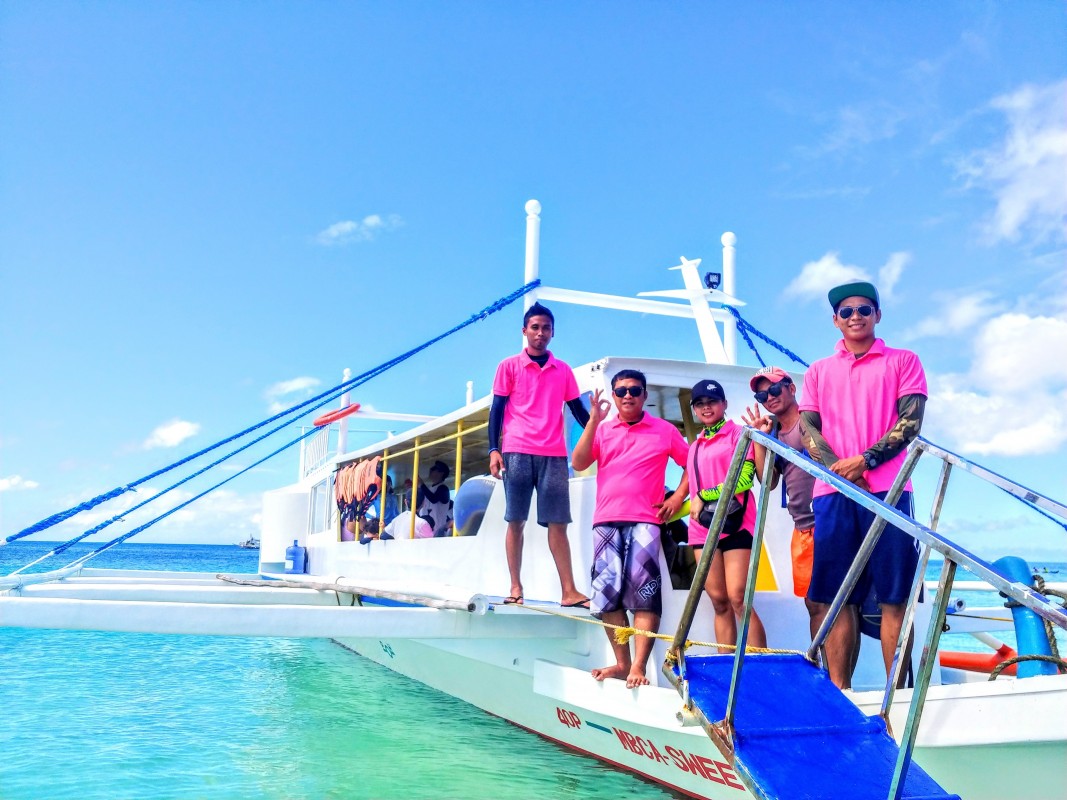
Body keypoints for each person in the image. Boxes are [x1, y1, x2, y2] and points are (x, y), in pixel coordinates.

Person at [799, 281, 927, 689]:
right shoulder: (818, 370)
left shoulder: (903, 360)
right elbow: (808, 429)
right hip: (834, 494)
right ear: (835, 320)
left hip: (890, 493)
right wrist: (838, 466)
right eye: (847, 311)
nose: (856, 316)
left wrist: (866, 459)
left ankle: (898, 695)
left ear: (878, 315)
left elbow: (911, 422)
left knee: (895, 598)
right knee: (839, 600)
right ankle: (842, 692)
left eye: (864, 309)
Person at [570, 369, 690, 688]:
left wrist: (678, 497)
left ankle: (639, 665)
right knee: (608, 597)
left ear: (644, 395)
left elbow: (692, 465)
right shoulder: (603, 430)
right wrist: (594, 419)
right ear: (613, 394)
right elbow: (579, 462)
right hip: (606, 521)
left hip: (646, 522)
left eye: (634, 390)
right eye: (621, 390)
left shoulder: (664, 431)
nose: (627, 396)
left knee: (645, 596)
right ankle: (622, 664)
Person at [488, 302, 590, 607]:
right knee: (515, 520)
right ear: (524, 331)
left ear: (553, 332)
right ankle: (516, 587)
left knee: (558, 523)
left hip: (554, 455)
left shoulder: (564, 370)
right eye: (535, 327)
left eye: (546, 328)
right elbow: (497, 411)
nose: (540, 333)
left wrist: (603, 432)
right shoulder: (508, 366)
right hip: (516, 450)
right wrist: (494, 449)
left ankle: (569, 591)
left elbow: (578, 411)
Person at [687, 379, 768, 651]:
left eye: (711, 402)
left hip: (736, 525)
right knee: (718, 601)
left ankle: (758, 663)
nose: (706, 408)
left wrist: (702, 495)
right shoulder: (695, 445)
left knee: (738, 598)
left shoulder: (739, 435)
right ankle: (726, 662)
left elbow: (744, 480)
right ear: (695, 410)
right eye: (700, 404)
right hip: (702, 529)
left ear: (724, 404)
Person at [741, 366, 818, 633]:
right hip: (801, 527)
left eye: (774, 389)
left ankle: (835, 671)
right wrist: (760, 439)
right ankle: (822, 664)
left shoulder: (811, 419)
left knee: (827, 601)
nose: (769, 398)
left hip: (825, 520)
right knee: (812, 603)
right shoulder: (773, 432)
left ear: (791, 388)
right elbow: (768, 481)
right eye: (762, 397)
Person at [416, 461, 453, 536]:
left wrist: (422, 485)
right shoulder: (430, 488)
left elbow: (433, 499)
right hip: (426, 529)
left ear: (441, 473)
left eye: (434, 469)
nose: (431, 471)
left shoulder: (443, 489)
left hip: (438, 530)